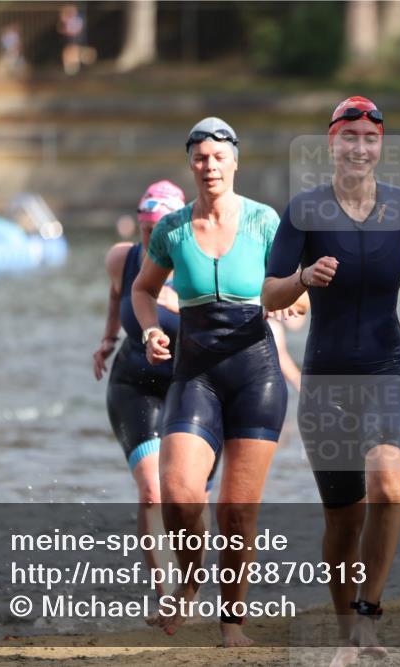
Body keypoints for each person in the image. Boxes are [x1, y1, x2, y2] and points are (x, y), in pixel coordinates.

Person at [262, 96, 400, 664]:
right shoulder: (303, 212)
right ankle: (347, 628)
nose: (359, 148)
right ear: (332, 143)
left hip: (389, 370)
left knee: (388, 485)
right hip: (326, 382)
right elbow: (268, 294)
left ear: (381, 147)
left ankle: (370, 616)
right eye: (349, 138)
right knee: (342, 520)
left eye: (370, 139)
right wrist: (302, 277)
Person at [131, 117, 302, 647]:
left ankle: (232, 623)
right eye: (200, 158)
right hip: (195, 373)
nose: (209, 166)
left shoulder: (264, 221)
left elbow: (295, 287)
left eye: (218, 157)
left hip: (257, 374)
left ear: (235, 161)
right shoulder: (172, 229)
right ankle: (189, 578)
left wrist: (296, 294)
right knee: (180, 493)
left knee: (236, 510)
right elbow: (143, 289)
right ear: (191, 163)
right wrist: (149, 330)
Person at [93, 179, 188, 599]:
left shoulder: (199, 266)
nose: (153, 238)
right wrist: (108, 339)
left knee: (186, 498)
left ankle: (190, 587)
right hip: (134, 381)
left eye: (161, 230)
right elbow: (117, 298)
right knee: (152, 491)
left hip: (192, 386)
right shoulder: (122, 258)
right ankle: (164, 590)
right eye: (147, 229)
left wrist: (175, 305)